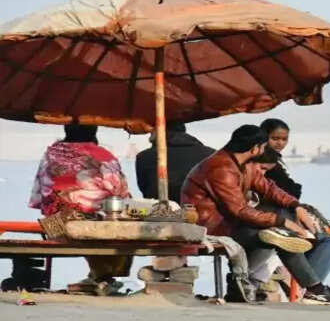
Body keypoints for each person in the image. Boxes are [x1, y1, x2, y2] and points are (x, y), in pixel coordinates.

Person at [181, 124, 330, 305]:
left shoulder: (243, 165)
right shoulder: (221, 168)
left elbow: (269, 189)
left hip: (232, 223)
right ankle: (314, 290)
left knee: (279, 225)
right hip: (211, 228)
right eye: (263, 146)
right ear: (255, 148)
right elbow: (239, 210)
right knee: (276, 233)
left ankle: (246, 282)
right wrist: (282, 222)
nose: (263, 150)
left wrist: (296, 206)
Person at [28, 124, 132, 295]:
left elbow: (40, 195)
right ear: (94, 132)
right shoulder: (102, 155)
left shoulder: (50, 154)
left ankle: (99, 277)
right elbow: (119, 190)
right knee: (116, 225)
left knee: (86, 223)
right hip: (89, 227)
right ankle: (103, 278)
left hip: (54, 227)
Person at [250, 146, 330, 283]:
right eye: (262, 168)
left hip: (272, 223)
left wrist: (296, 206)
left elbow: (278, 192)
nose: (263, 173)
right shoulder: (240, 176)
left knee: (327, 240)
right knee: (286, 240)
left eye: (266, 170)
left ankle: (309, 286)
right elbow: (241, 211)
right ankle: (311, 287)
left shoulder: (260, 178)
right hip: (255, 227)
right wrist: (285, 222)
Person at [135, 122, 214, 203]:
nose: (149, 130)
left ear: (161, 129)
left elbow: (144, 189)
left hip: (159, 209)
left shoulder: (144, 157)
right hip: (199, 209)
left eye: (153, 127)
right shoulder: (211, 154)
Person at [260, 118, 302, 199]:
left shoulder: (274, 157)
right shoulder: (265, 160)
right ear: (263, 137)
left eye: (284, 139)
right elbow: (291, 191)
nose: (280, 143)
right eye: (275, 139)